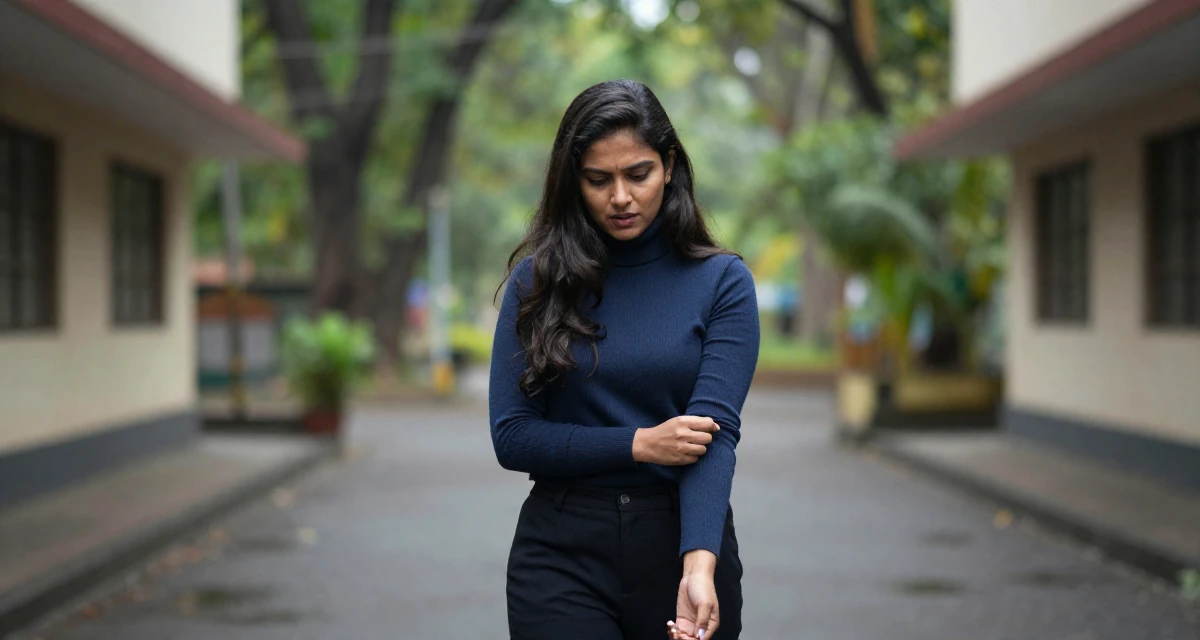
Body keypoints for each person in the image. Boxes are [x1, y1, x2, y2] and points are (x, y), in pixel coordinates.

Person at [489, 79, 760, 640]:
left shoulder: (722, 283)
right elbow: (512, 436)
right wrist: (640, 443)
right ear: (572, 181)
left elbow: (714, 436)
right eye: (598, 179)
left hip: (680, 542)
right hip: (561, 552)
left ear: (668, 166)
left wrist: (699, 564)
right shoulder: (536, 282)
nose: (620, 197)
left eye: (638, 174)